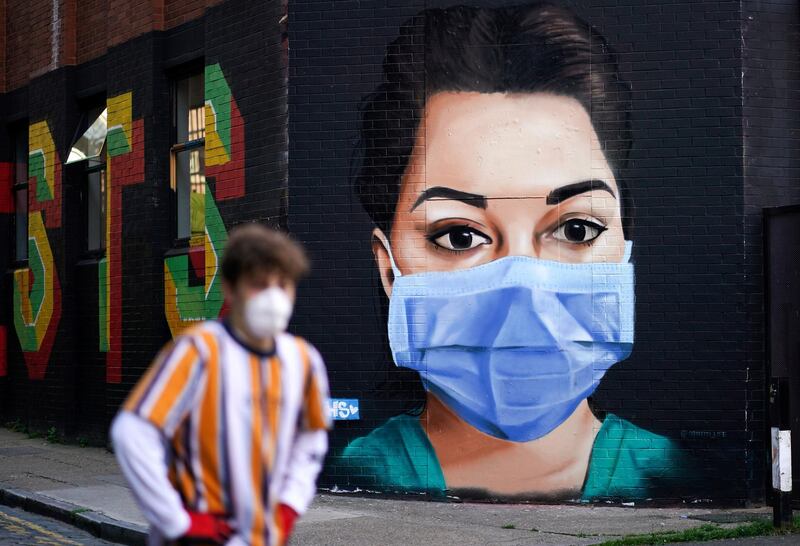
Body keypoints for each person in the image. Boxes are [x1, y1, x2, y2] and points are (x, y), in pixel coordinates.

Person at [339, 2, 690, 501]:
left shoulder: (674, 473)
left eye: (576, 228)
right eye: (459, 235)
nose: (523, 286)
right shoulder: (358, 474)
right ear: (389, 270)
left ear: (623, 251)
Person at [111, 224, 331, 546]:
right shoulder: (198, 351)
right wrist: (176, 521)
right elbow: (133, 432)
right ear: (231, 288)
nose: (273, 297)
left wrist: (288, 506)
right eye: (259, 285)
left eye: (283, 285)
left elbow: (311, 439)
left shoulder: (303, 360)